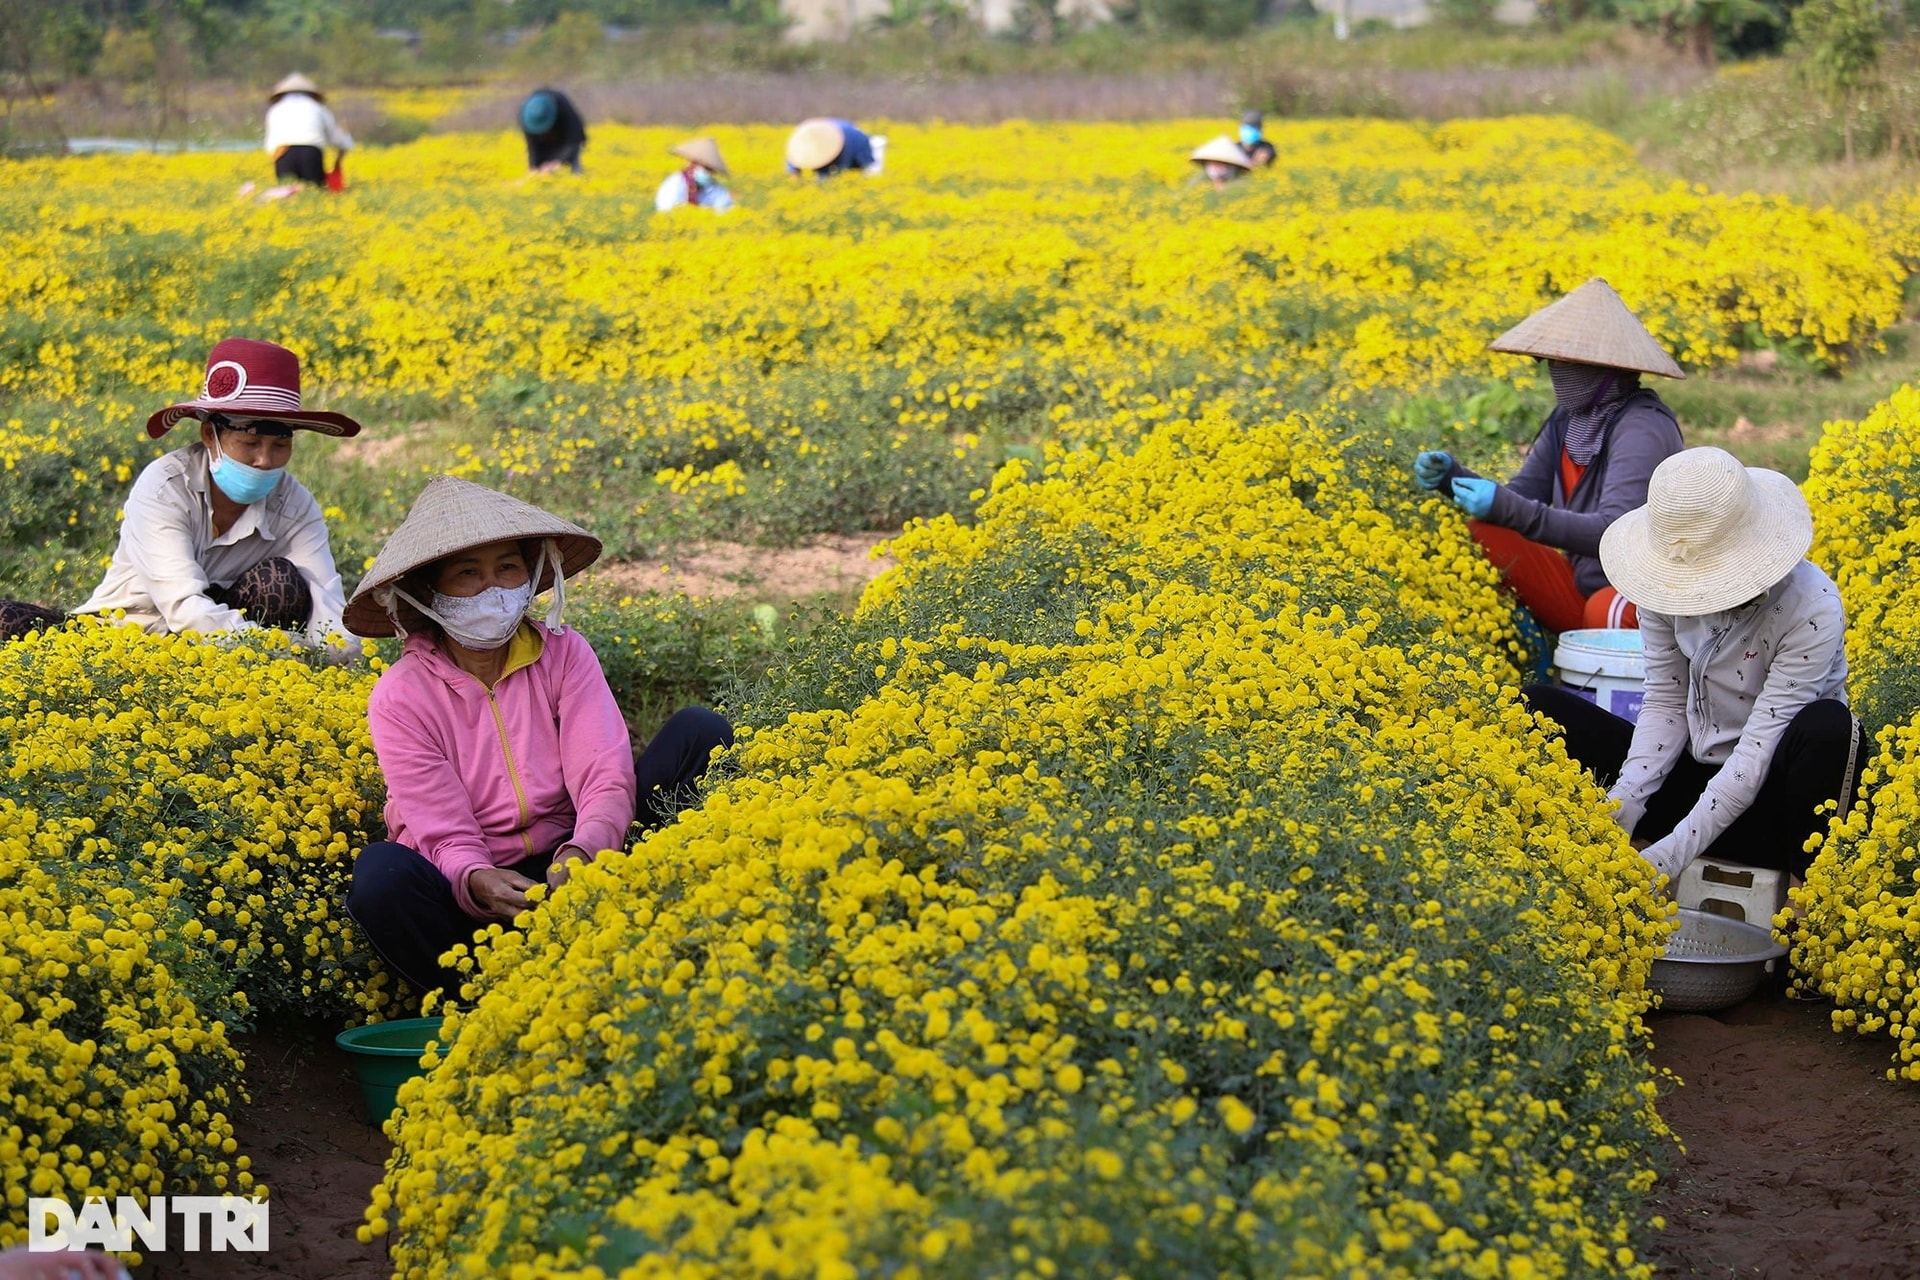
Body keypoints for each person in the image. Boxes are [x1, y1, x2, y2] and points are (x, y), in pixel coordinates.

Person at [341, 477, 733, 997]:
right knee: (380, 877)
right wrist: (476, 878)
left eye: (508, 567)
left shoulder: (564, 653)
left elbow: (603, 773)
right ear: (430, 594)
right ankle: (482, 1002)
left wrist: (584, 854)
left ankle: (640, 924)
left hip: (572, 865)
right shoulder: (401, 695)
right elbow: (442, 827)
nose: (493, 587)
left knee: (699, 733)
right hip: (475, 892)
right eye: (467, 573)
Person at [1525, 447, 1867, 887]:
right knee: (1538, 706)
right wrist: (1615, 817)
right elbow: (1666, 702)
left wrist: (1670, 855)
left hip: (1776, 810)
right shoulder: (1663, 584)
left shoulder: (1811, 607)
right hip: (1693, 780)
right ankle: (1559, 856)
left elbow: (1758, 748)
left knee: (1830, 728)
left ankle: (1807, 904)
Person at [0, 339, 362, 647]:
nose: (265, 460)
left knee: (279, 583)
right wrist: (284, 649)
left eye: (280, 446)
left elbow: (328, 602)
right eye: (250, 443)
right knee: (8, 621)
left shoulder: (293, 503)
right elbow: (185, 608)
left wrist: (325, 653)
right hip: (128, 632)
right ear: (210, 436)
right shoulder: (164, 487)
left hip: (229, 637)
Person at [1414, 278, 1685, 633]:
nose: (1554, 371)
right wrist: (1453, 477)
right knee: (1484, 532)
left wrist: (1506, 506)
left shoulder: (1641, 428)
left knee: (1606, 612)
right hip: (1582, 580)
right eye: (1549, 361)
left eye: (1564, 362)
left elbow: (1614, 532)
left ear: (1602, 368)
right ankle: (1530, 647)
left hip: (1636, 588)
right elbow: (1521, 495)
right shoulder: (1569, 419)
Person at [263, 73, 351, 187]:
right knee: (314, 189)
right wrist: (344, 147)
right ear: (311, 94)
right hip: (310, 152)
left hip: (283, 152)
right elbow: (335, 137)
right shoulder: (318, 108)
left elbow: (270, 142)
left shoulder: (275, 110)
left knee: (287, 193)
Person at [654, 137, 734, 214]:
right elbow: (666, 210)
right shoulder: (674, 184)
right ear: (692, 165)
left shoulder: (712, 188)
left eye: (711, 170)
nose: (709, 174)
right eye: (706, 168)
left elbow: (726, 205)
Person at [521, 88, 587, 174]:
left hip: (566, 142)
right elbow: (532, 146)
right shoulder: (528, 114)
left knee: (575, 170)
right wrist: (534, 167)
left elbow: (575, 140)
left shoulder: (564, 109)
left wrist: (559, 161)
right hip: (544, 147)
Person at [786, 118, 877, 178]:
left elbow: (842, 166)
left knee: (865, 173)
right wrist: (794, 176)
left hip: (857, 144)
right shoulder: (802, 141)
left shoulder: (847, 143)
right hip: (837, 132)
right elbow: (793, 160)